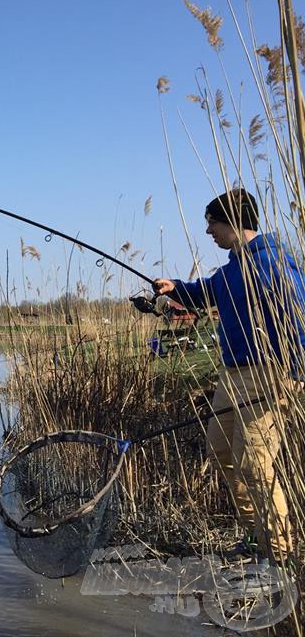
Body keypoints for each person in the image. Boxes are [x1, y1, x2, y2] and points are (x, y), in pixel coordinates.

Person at [153, 188, 304, 559]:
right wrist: (176, 289)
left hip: (269, 373)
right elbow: (207, 291)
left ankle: (281, 554)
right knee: (220, 451)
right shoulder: (232, 269)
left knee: (255, 464)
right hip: (232, 374)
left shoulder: (275, 263)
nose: (208, 232)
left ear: (234, 222)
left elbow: (299, 318)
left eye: (212, 224)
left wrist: (298, 373)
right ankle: (257, 535)